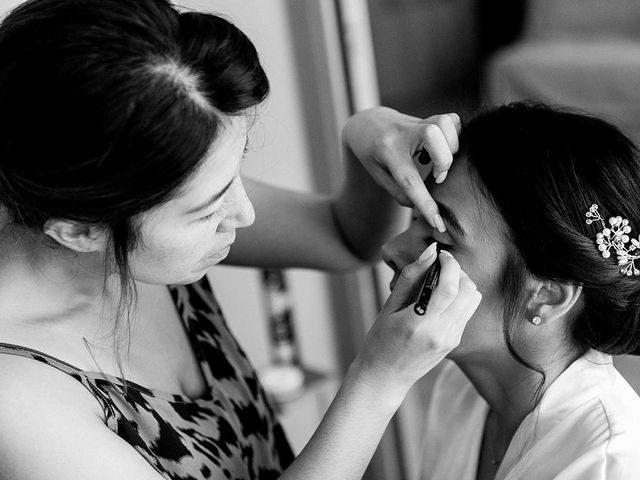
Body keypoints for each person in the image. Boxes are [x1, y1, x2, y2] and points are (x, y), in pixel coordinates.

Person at [0, 0, 482, 479]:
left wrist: (367, 133)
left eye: (238, 172)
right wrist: (379, 379)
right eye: (208, 209)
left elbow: (342, 237)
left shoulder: (144, 195)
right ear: (80, 230)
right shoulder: (18, 406)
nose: (245, 214)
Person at [381, 101, 640, 480]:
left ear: (548, 294)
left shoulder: (607, 466)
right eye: (417, 218)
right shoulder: (461, 386)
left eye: (440, 239)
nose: (391, 250)